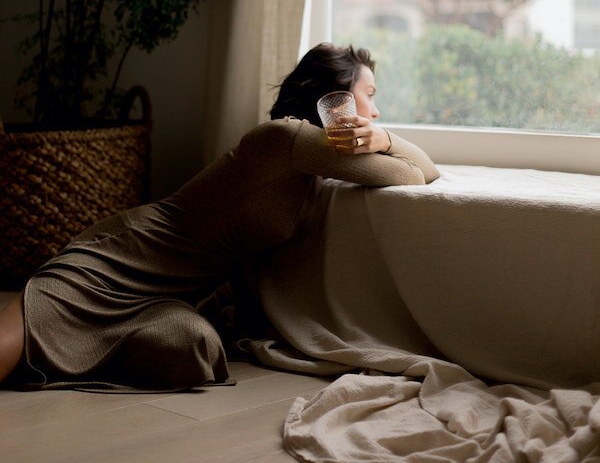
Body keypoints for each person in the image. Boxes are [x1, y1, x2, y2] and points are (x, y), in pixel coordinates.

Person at [0, 43, 439, 392]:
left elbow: (424, 172)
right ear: (335, 98)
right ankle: (46, 332)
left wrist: (382, 138)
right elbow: (411, 174)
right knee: (18, 341)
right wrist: (384, 140)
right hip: (120, 261)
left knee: (195, 349)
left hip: (169, 298)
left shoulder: (311, 168)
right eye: (369, 95)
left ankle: (66, 354)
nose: (375, 112)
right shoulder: (287, 137)